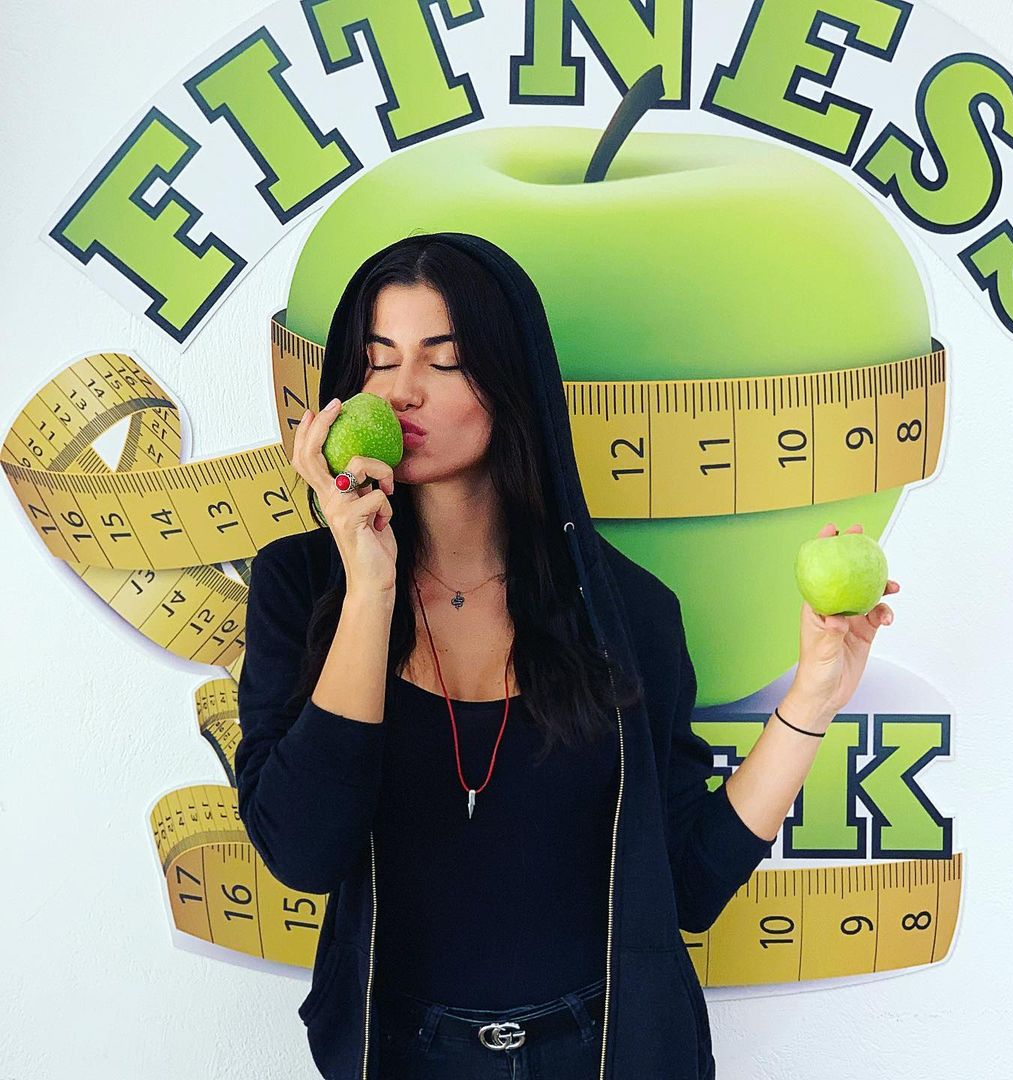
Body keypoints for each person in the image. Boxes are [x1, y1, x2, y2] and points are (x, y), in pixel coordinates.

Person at [235, 232, 899, 1080]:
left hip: (605, 1053)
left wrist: (814, 696)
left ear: (512, 382)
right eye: (378, 360)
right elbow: (301, 852)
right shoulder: (300, 588)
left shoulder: (627, 611)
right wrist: (369, 586)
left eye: (445, 360)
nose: (402, 391)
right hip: (401, 1056)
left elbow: (690, 884)